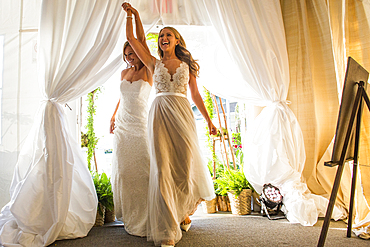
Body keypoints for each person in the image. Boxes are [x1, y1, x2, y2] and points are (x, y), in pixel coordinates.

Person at [122, 3, 217, 247]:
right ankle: (167, 231)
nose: (164, 38)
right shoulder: (154, 63)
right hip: (160, 113)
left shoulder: (188, 65)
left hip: (183, 114)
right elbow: (132, 38)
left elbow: (195, 95)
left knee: (184, 168)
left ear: (177, 40)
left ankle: (182, 212)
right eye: (162, 35)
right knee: (163, 169)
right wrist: (133, 15)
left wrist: (209, 120)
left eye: (168, 35)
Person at [110, 6, 153, 237]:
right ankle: (130, 215)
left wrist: (134, 16)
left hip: (139, 126)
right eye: (126, 54)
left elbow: (142, 41)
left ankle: (149, 215)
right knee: (125, 172)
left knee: (144, 170)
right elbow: (122, 97)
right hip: (123, 127)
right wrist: (113, 116)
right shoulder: (123, 74)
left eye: (132, 53)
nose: (129, 57)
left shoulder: (148, 71)